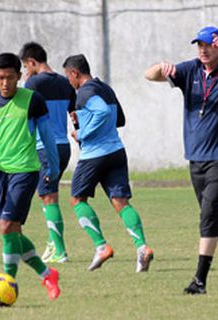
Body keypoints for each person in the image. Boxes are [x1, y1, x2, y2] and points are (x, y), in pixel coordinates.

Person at [144, 26, 218, 294]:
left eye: (208, 45)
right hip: (196, 157)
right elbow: (148, 76)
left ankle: (199, 280)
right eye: (199, 45)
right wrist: (162, 68)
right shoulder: (191, 69)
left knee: (208, 215)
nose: (203, 50)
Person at [0, 52, 61, 300]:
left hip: (26, 170)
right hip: (0, 173)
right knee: (11, 233)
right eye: (0, 78)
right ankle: (47, 275)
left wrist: (52, 168)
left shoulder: (33, 100)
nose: (5, 83)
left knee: (6, 225)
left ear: (19, 77)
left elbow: (48, 136)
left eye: (10, 78)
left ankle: (7, 281)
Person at [62, 54, 154, 273]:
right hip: (116, 151)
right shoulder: (106, 88)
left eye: (68, 76)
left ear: (75, 73)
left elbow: (102, 112)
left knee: (77, 200)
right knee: (121, 202)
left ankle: (101, 246)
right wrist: (84, 118)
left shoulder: (84, 91)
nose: (69, 82)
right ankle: (142, 248)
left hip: (94, 155)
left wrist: (82, 132)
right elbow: (119, 119)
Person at [19, 42, 77, 264]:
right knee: (49, 193)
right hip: (63, 146)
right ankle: (53, 243)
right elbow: (73, 111)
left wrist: (25, 87)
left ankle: (60, 251)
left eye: (26, 66)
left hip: (45, 146)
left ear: (33, 62)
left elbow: (26, 114)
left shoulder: (33, 83)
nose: (26, 71)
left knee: (48, 196)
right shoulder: (64, 82)